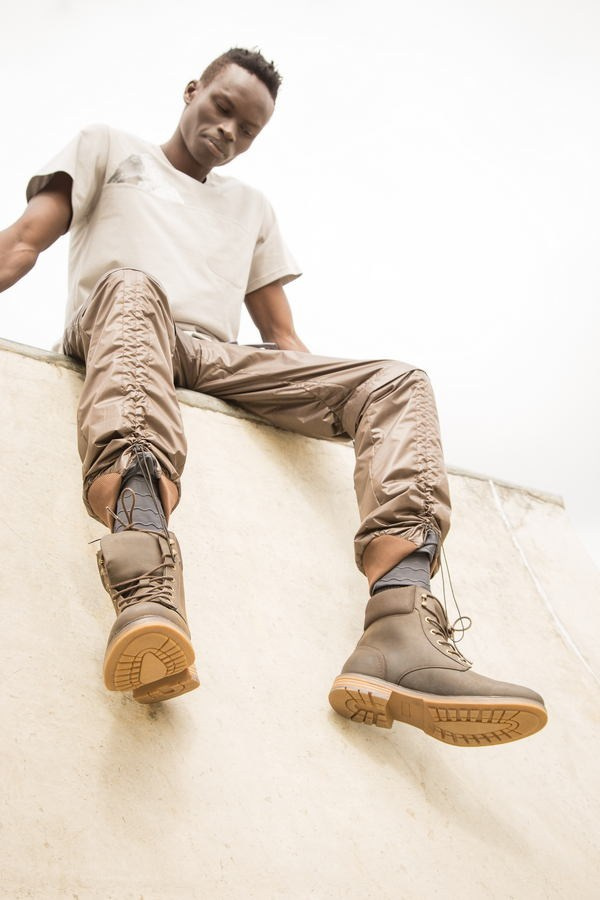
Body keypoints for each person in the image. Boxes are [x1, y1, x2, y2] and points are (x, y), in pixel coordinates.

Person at [0, 48, 547, 746]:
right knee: (134, 285)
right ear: (192, 90)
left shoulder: (251, 208)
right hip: (119, 322)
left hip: (212, 354)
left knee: (398, 381)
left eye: (247, 129)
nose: (228, 131)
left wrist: (346, 410)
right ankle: (147, 582)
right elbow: (22, 242)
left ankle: (400, 626)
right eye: (221, 108)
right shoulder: (107, 146)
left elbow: (283, 339)